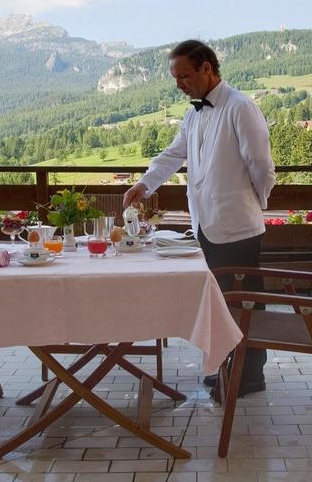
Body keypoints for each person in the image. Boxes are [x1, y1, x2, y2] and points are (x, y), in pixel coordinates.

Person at [123, 39, 276, 398]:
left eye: (184, 75)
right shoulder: (193, 114)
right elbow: (173, 154)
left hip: (237, 226)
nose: (179, 84)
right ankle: (228, 366)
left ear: (207, 68)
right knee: (222, 304)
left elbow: (262, 166)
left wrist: (254, 203)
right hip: (206, 226)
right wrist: (144, 184)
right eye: (175, 77)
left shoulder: (240, 107)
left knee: (243, 302)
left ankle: (250, 375)